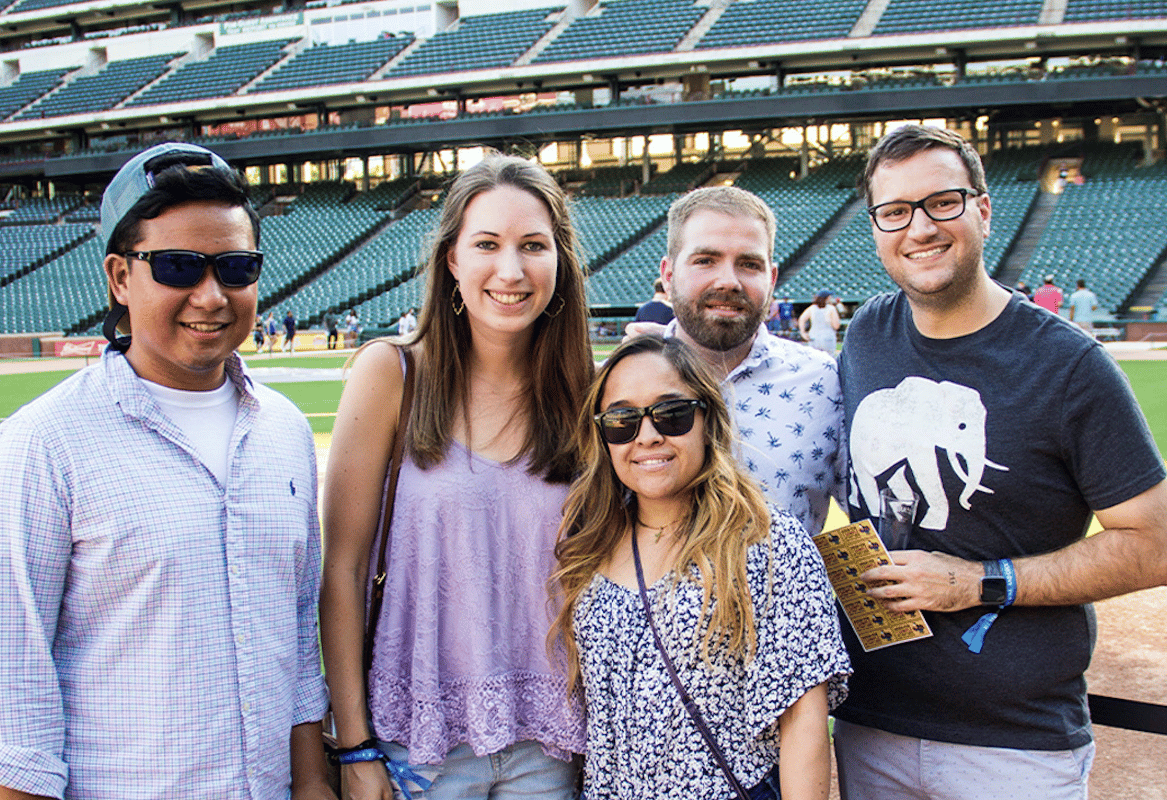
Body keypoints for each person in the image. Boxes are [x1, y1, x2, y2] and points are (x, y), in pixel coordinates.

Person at [0, 142, 331, 799]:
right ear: (119, 277)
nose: (212, 294)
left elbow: (298, 644)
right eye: (177, 267)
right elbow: (11, 707)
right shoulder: (40, 446)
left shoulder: (285, 432)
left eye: (236, 267)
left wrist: (311, 784)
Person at [835, 124, 1167, 799]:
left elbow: (1156, 542)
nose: (919, 228)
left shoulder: (1070, 364)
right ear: (875, 228)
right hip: (870, 721)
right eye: (894, 212)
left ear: (983, 209)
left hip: (1013, 743)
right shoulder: (867, 332)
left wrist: (977, 582)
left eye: (942, 203)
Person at [320, 154, 593, 800]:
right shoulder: (391, 376)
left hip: (548, 746)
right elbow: (343, 572)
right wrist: (353, 744)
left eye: (533, 246)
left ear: (559, 260)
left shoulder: (585, 395)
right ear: (451, 260)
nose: (511, 270)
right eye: (487, 245)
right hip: (418, 743)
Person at [550, 335, 850, 800]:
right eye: (621, 421)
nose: (647, 436)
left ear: (707, 419)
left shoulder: (768, 542)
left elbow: (802, 722)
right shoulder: (592, 545)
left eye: (671, 414)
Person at [631, 185, 845, 536]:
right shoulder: (618, 385)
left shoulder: (823, 382)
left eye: (749, 264)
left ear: (771, 279)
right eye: (705, 260)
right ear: (668, 275)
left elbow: (874, 514)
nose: (728, 281)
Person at [797, 290, 841, 355]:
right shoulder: (831, 308)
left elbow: (801, 319)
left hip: (814, 337)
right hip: (827, 338)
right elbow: (836, 326)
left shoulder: (812, 308)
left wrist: (803, 332)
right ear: (827, 298)